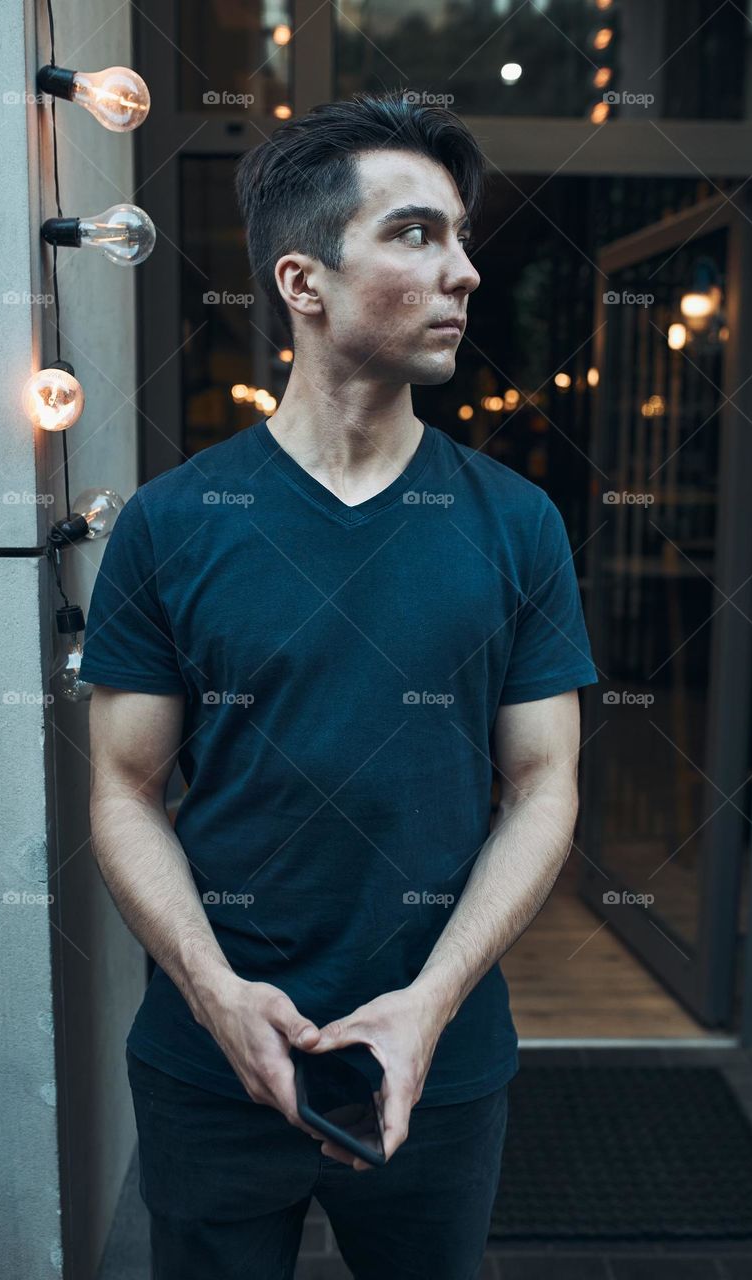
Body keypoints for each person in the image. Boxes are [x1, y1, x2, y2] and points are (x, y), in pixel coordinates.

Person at [79, 88, 598, 1280]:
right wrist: (212, 991)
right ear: (303, 284)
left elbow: (543, 785)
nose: (464, 270)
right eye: (416, 233)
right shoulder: (172, 523)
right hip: (207, 1064)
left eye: (462, 235)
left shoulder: (515, 525)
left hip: (442, 1065)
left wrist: (428, 1004)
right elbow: (123, 788)